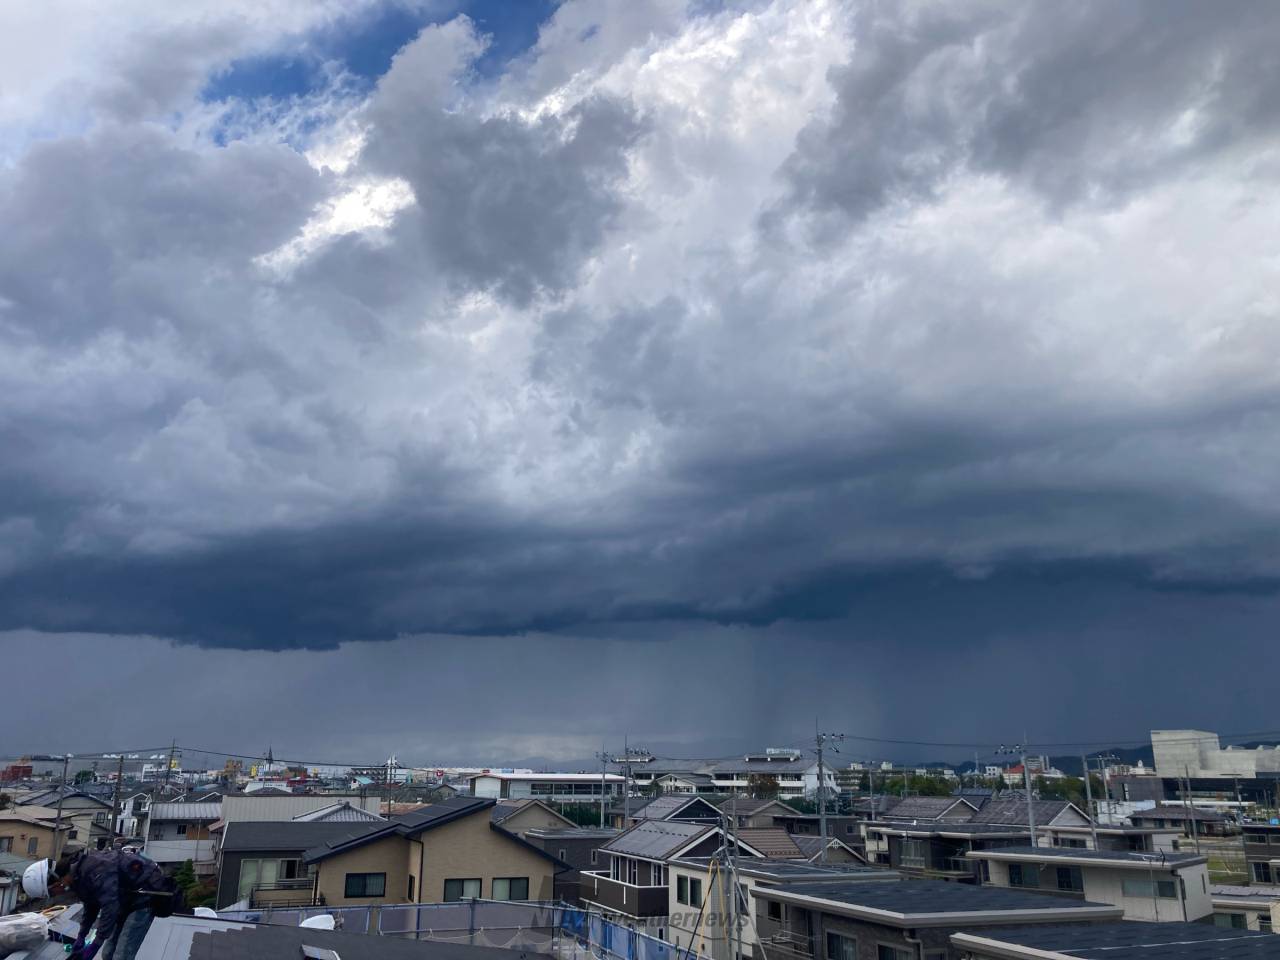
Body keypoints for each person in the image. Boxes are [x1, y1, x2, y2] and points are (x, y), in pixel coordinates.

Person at [61, 847, 182, 960]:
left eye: (61, 885)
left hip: (145, 899)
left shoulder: (95, 868)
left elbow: (110, 906)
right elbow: (91, 904)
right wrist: (82, 934)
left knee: (122, 954)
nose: (63, 888)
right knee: (107, 953)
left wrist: (96, 943)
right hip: (126, 901)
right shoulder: (79, 876)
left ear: (63, 877)